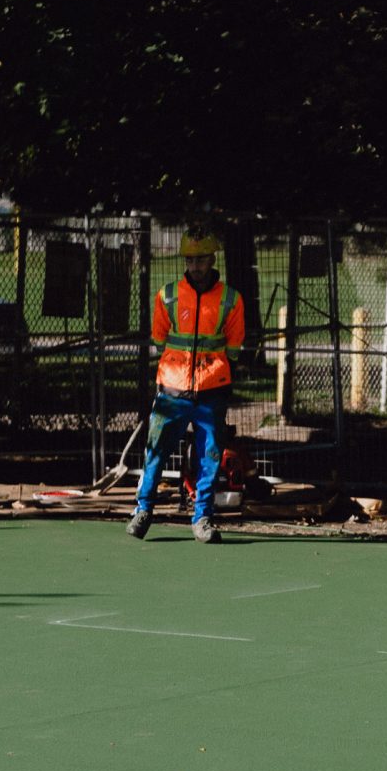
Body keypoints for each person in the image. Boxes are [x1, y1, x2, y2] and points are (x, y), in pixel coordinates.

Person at [127, 226, 245, 544]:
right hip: (172, 390)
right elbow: (159, 338)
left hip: (211, 392)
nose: (195, 265)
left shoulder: (231, 300)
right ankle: (143, 511)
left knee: (209, 457)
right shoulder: (167, 296)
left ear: (212, 259)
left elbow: (234, 347)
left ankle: (202, 519)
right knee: (155, 453)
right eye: (190, 259)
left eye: (201, 259)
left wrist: (215, 373)